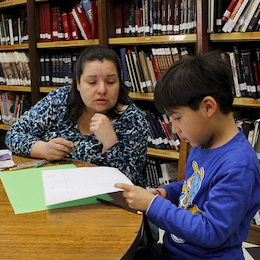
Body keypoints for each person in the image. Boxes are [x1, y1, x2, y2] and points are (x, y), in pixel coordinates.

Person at [115, 51, 260, 259]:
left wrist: (152, 205)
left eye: (177, 118)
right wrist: (166, 193)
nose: (174, 128)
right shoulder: (202, 143)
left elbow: (210, 231)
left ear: (208, 107)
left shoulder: (238, 167)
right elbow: (192, 189)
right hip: (177, 250)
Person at [5, 46, 149, 186]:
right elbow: (14, 134)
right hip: (56, 190)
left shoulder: (133, 120)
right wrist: (44, 149)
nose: (102, 90)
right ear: (78, 83)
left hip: (106, 203)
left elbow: (130, 181)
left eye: (110, 82)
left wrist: (110, 144)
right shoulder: (60, 100)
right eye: (92, 82)